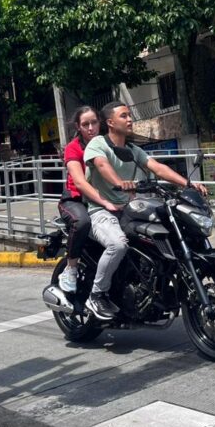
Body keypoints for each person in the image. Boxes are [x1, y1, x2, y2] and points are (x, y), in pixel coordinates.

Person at [82, 101, 208, 320]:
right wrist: (120, 182)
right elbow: (102, 166)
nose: (130, 119)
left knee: (166, 228)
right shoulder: (97, 144)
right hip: (101, 211)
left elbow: (158, 167)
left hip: (128, 208)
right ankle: (97, 295)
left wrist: (187, 184)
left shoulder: (132, 150)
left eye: (130, 115)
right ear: (110, 122)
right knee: (118, 244)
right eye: (124, 116)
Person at [57, 106, 121, 294]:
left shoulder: (108, 144)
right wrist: (106, 203)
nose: (91, 128)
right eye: (86, 124)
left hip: (105, 197)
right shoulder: (73, 148)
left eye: (94, 122)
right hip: (76, 200)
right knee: (82, 222)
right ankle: (71, 269)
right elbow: (80, 182)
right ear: (78, 127)